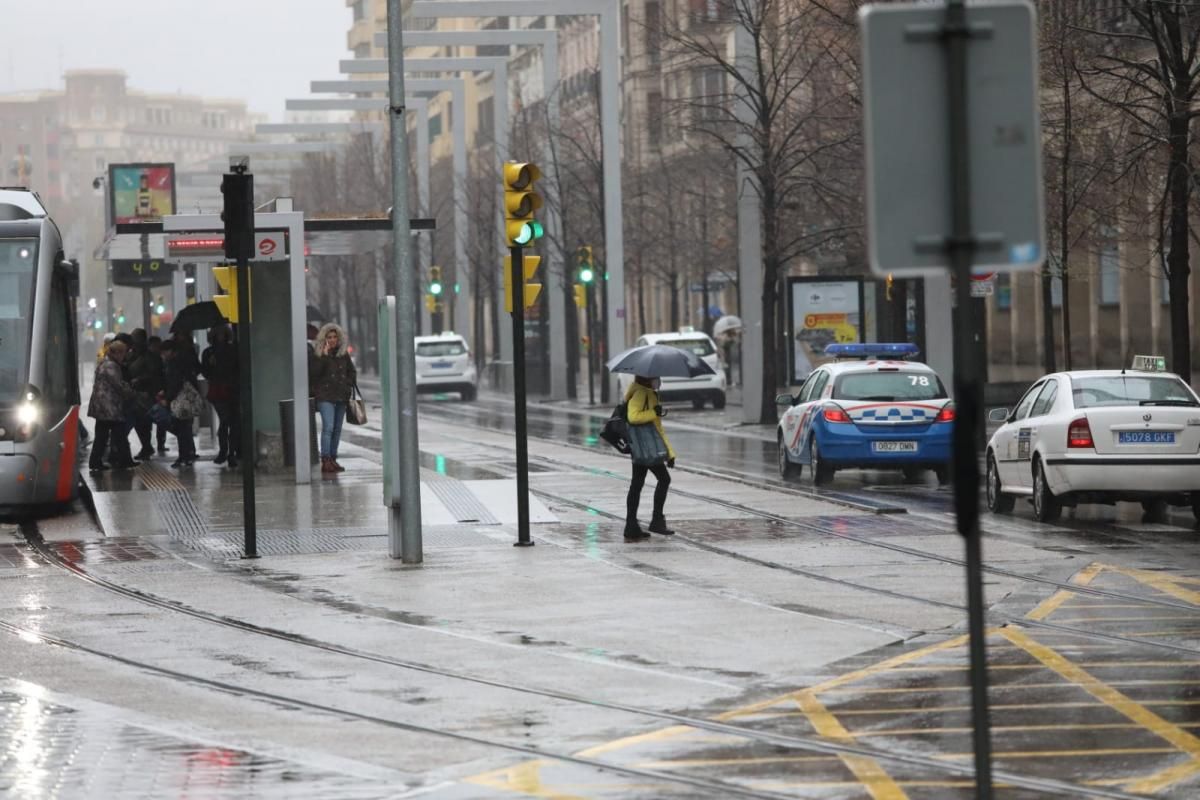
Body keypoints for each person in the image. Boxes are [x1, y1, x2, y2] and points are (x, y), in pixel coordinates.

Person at [623, 374, 677, 541]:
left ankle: (631, 525)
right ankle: (656, 521)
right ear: (646, 378)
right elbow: (633, 416)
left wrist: (670, 452)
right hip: (645, 447)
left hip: (643, 446)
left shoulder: (648, 393)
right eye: (655, 377)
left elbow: (657, 428)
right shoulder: (641, 393)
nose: (658, 380)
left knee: (637, 483)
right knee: (663, 479)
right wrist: (654, 411)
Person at [310, 322, 356, 474]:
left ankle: (333, 459)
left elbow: (352, 371)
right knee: (328, 427)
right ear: (324, 338)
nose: (332, 339)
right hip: (325, 396)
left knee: (337, 429)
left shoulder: (343, 354)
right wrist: (323, 355)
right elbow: (314, 374)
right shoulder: (319, 354)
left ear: (339, 338)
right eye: (329, 337)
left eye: (335, 337)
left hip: (341, 396)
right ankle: (325, 459)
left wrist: (348, 384)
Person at [87, 340, 135, 472]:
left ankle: (96, 462)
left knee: (102, 436)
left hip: (102, 406)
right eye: (123, 353)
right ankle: (125, 461)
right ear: (117, 353)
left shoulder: (105, 362)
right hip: (109, 407)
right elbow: (118, 385)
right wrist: (131, 392)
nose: (124, 356)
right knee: (118, 434)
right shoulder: (111, 366)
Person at [201, 325, 239, 467]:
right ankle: (227, 451)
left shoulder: (231, 350)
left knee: (230, 422)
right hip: (221, 389)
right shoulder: (210, 353)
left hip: (229, 389)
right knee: (226, 420)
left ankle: (229, 452)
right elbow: (205, 372)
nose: (220, 336)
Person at [161, 340, 199, 468]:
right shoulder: (184, 360)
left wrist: (168, 397)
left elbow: (175, 383)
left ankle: (184, 456)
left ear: (171, 351)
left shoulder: (174, 363)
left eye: (165, 352)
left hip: (180, 400)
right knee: (185, 427)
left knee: (181, 428)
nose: (163, 355)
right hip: (186, 399)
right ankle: (188, 455)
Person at [127, 328, 164, 460]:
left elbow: (155, 374)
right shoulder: (132, 355)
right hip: (136, 394)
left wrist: (140, 379)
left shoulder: (151, 357)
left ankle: (148, 446)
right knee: (139, 423)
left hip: (147, 394)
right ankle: (146, 446)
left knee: (145, 422)